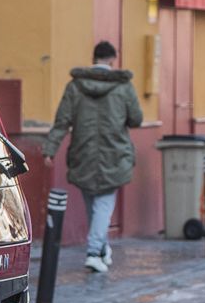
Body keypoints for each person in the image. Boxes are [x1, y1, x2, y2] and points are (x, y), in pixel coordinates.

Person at [42, 40, 143, 273]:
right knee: (103, 206)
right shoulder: (123, 87)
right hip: (114, 153)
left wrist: (50, 149)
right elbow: (136, 119)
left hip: (83, 152)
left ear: (93, 58)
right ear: (112, 59)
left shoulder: (75, 87)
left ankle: (102, 248)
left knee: (94, 206)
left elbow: (62, 121)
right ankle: (94, 252)